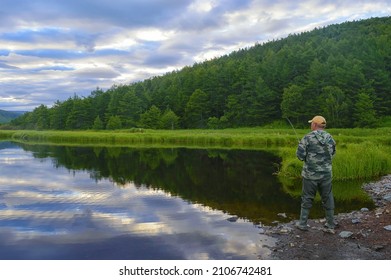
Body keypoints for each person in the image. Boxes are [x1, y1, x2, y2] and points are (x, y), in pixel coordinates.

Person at [295, 115, 337, 232]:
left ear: (314, 125)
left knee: (307, 198)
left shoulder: (307, 138)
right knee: (328, 197)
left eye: (311, 123)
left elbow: (300, 156)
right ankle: (330, 224)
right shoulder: (330, 138)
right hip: (326, 174)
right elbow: (333, 153)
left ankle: (302, 224)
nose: (310, 125)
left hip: (310, 175)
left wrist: (302, 148)